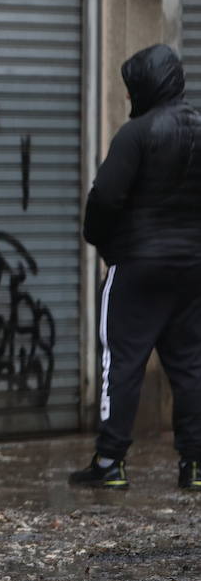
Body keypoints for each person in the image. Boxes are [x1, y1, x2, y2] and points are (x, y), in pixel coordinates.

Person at [71, 44, 201, 490]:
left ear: (145, 86)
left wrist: (101, 240)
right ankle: (195, 465)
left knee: (122, 361)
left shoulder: (137, 133)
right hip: (192, 269)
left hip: (139, 266)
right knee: (189, 365)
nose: (129, 99)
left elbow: (105, 196)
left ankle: (110, 462)